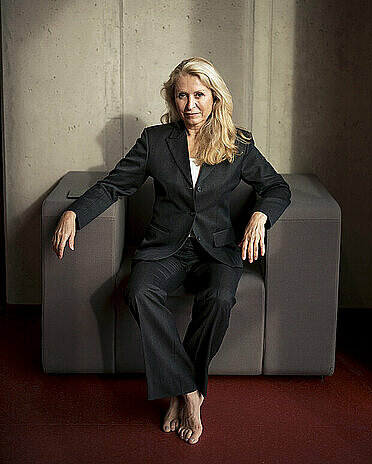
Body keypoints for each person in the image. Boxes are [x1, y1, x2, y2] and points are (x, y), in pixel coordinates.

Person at [52, 57, 291, 445]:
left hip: (216, 251)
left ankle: (182, 394)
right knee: (139, 291)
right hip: (165, 250)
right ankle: (191, 393)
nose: (190, 104)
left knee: (219, 298)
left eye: (199, 95)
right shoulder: (154, 141)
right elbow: (115, 185)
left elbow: (278, 188)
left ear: (215, 97)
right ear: (172, 99)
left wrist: (261, 215)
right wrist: (73, 213)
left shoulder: (238, 143)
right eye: (182, 95)